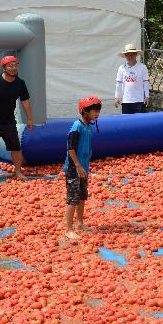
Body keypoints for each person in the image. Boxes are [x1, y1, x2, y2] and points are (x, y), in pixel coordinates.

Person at [0, 55, 34, 182]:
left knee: (15, 146)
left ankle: (18, 171)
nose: (14, 68)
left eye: (15, 65)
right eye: (10, 65)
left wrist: (30, 118)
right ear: (4, 68)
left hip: (8, 120)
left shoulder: (20, 83)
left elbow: (25, 101)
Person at [63, 97, 101, 240]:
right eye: (94, 111)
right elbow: (71, 148)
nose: (97, 114)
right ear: (85, 111)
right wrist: (78, 166)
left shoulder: (88, 126)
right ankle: (68, 229)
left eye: (98, 111)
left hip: (84, 167)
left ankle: (79, 223)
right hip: (74, 168)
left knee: (82, 196)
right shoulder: (76, 127)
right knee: (73, 198)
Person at [114, 43, 150, 114]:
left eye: (132, 54)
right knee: (126, 122)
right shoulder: (121, 68)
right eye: (128, 54)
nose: (130, 56)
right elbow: (118, 83)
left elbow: (146, 82)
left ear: (136, 54)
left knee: (140, 121)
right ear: (125, 56)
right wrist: (116, 97)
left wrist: (147, 96)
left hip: (139, 100)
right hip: (126, 100)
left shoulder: (142, 67)